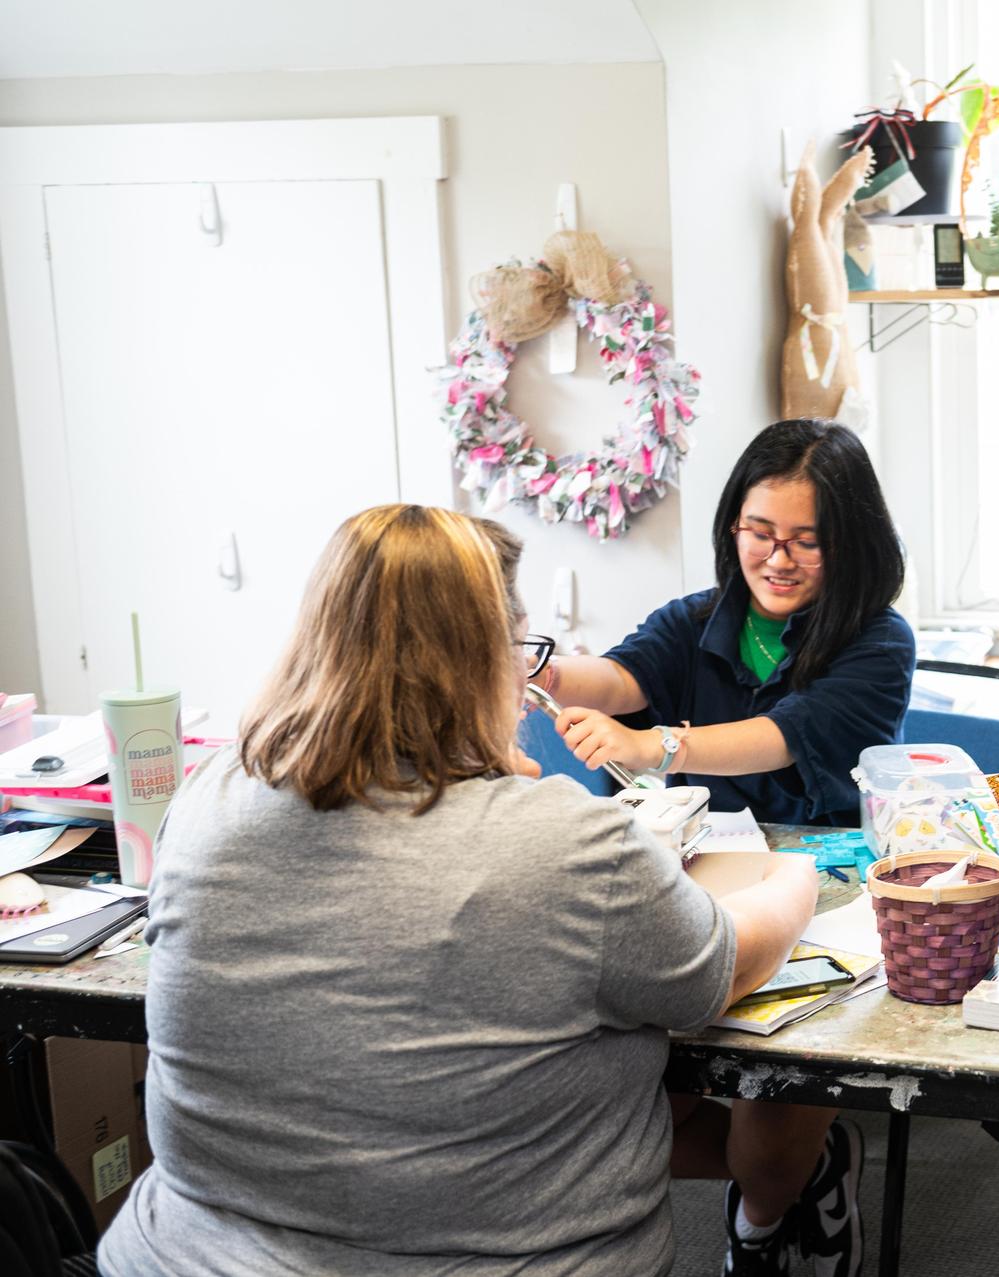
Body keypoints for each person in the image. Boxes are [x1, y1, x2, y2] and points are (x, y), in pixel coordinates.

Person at [98, 505, 820, 1277]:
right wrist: (796, 875)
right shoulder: (572, 842)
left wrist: (470, 776)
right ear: (487, 659)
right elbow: (726, 964)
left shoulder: (207, 798)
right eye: (519, 648)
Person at [537, 418, 913, 1276]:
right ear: (731, 528)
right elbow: (622, 675)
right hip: (694, 888)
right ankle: (795, 1174)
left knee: (770, 1106)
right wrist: (547, 671)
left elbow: (783, 736)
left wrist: (655, 746)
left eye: (806, 541)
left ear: (850, 543)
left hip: (822, 906)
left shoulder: (880, 642)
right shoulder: (700, 617)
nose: (776, 559)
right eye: (758, 532)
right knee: (620, 1105)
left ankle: (768, 1204)